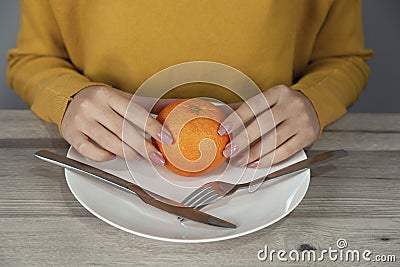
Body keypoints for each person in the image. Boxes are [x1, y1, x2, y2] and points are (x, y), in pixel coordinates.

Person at [7, 0, 372, 168]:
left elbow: (344, 60)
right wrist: (69, 99)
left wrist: (312, 100)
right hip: (109, 166)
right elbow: (32, 60)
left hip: (268, 169)